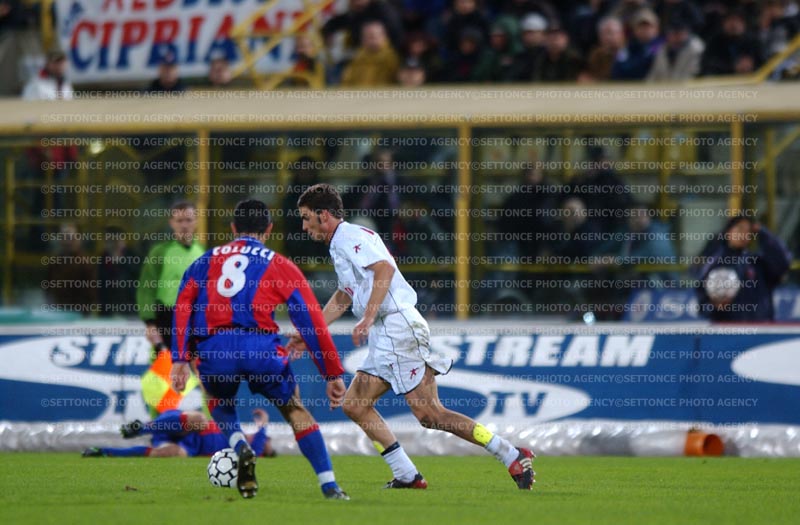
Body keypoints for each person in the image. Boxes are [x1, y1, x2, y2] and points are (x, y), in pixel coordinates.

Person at [294, 184, 535, 490]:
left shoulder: (348, 237)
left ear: (323, 215)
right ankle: (408, 475)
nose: (304, 227)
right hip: (386, 332)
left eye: (306, 218)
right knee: (355, 405)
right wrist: (311, 332)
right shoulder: (343, 241)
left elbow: (384, 270)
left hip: (397, 327)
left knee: (430, 414)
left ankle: (510, 453)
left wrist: (368, 316)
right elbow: (344, 295)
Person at [170, 199, 349, 500]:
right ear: (268, 230)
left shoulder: (203, 261)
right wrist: (331, 372)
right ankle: (329, 485)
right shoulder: (280, 264)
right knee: (294, 409)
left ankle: (240, 446)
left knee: (216, 399)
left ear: (232, 229)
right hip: (261, 348)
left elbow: (183, 307)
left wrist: (179, 358)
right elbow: (311, 321)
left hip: (216, 349)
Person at [137, 201, 205, 359]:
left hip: (194, 319)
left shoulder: (201, 252)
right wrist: (150, 323)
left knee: (196, 367)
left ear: (196, 222)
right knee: (165, 367)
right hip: (166, 318)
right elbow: (146, 289)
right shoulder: (160, 252)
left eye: (188, 220)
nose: (184, 225)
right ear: (171, 223)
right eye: (179, 221)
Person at [694, 215, 791, 322]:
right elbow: (702, 303)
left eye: (748, 231)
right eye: (740, 229)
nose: (743, 234)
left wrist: (763, 232)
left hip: (761, 328)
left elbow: (783, 263)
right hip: (728, 329)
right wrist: (715, 307)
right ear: (728, 232)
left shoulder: (757, 263)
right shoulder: (713, 264)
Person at [82, 409, 274, 458]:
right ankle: (141, 428)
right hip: (178, 426)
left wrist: (263, 424)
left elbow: (256, 449)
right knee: (199, 419)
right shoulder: (234, 429)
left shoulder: (246, 451)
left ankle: (105, 451)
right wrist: (260, 428)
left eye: (266, 444)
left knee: (174, 453)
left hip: (189, 447)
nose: (264, 441)